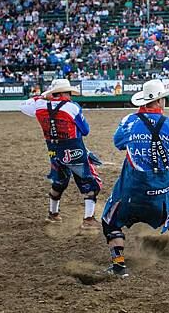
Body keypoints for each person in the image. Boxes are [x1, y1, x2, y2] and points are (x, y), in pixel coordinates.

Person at [101, 80, 169, 278]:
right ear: (159, 101)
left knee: (110, 220)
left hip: (133, 188)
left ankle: (119, 266)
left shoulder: (129, 121)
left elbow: (118, 142)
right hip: (161, 187)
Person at [19, 79, 102, 228]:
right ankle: (89, 219)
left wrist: (45, 96)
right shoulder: (72, 107)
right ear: (63, 93)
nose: (70, 95)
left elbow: (24, 105)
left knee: (59, 181)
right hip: (73, 150)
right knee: (88, 182)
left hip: (54, 150)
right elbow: (85, 130)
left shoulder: (39, 106)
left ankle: (53, 214)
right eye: (68, 92)